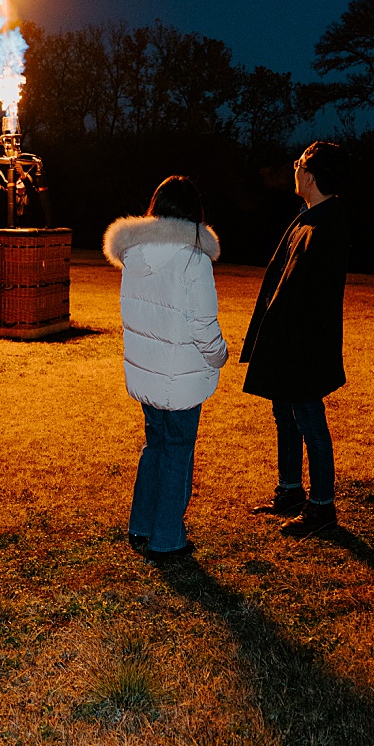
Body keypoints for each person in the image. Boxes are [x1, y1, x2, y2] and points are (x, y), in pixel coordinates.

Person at [104, 176, 228, 558]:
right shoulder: (194, 260)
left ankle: (141, 524)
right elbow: (204, 326)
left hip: (148, 374)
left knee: (155, 446)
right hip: (183, 377)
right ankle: (167, 537)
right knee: (177, 451)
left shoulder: (135, 254)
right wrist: (220, 355)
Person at [242, 141, 352, 538]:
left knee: (309, 420)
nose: (294, 170)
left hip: (302, 346)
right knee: (285, 416)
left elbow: (309, 297)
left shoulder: (326, 224)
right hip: (287, 342)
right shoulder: (309, 217)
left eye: (298, 164)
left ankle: (321, 508)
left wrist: (291, 345)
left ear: (309, 173)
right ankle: (290, 490)